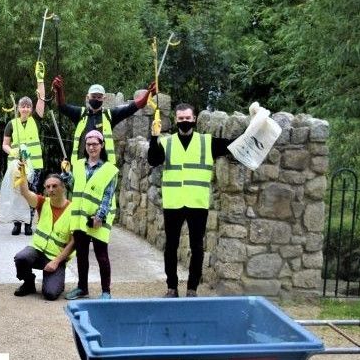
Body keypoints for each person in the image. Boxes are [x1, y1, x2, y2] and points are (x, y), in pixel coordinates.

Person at [149, 103, 234, 297]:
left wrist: (254, 133)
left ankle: (192, 288)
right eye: (180, 119)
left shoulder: (206, 142)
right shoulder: (167, 142)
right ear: (176, 119)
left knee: (197, 247)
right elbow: (153, 160)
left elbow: (231, 145)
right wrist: (154, 136)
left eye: (187, 118)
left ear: (194, 119)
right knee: (171, 246)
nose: (184, 122)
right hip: (173, 202)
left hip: (197, 203)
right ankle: (171, 287)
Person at [64, 130, 119, 300]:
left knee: (102, 255)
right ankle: (82, 287)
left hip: (97, 220)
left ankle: (106, 291)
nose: (92, 147)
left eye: (95, 144)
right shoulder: (79, 165)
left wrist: (100, 216)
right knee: (81, 254)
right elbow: (74, 187)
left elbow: (108, 196)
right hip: (81, 218)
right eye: (88, 144)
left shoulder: (109, 170)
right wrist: (66, 175)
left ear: (102, 146)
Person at [52, 76, 155, 165]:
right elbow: (62, 107)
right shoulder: (80, 114)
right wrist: (59, 90)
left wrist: (148, 94)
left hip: (104, 167)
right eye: (93, 96)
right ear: (88, 97)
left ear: (104, 98)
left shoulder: (110, 115)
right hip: (80, 165)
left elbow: (133, 107)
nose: (96, 99)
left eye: (99, 97)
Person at [12, 169, 75, 300]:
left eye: (54, 186)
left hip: (55, 258)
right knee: (21, 258)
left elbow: (74, 242)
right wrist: (22, 176)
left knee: (50, 294)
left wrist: (56, 262)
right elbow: (25, 192)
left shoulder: (73, 210)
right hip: (37, 251)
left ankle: (55, 281)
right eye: (48, 187)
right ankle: (29, 283)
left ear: (63, 187)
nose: (51, 189)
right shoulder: (42, 202)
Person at [3, 90, 46, 236]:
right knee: (17, 193)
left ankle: (28, 224)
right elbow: (5, 145)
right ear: (18, 108)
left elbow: (42, 102)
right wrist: (13, 152)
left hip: (35, 164)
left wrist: (40, 83)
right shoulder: (11, 124)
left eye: (28, 106)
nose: (26, 109)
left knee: (31, 193)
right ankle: (17, 224)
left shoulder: (35, 120)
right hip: (17, 164)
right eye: (23, 106)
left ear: (31, 108)